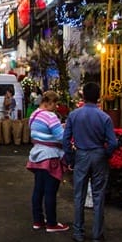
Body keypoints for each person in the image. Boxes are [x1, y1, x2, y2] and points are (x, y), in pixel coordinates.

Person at [61, 82, 118, 242]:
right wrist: (105, 154)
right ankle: (97, 234)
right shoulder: (104, 117)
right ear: (98, 96)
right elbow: (113, 143)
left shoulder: (74, 115)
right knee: (98, 195)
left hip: (81, 155)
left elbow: (66, 140)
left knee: (79, 194)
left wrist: (71, 158)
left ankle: (78, 232)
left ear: (83, 96)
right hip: (99, 155)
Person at [26, 91, 69, 233]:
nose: (56, 107)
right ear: (48, 102)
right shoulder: (51, 116)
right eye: (55, 104)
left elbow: (38, 132)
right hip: (50, 156)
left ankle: (37, 220)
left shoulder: (34, 114)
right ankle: (51, 223)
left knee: (38, 190)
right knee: (50, 191)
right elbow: (61, 137)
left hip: (36, 156)